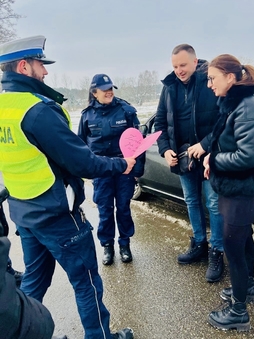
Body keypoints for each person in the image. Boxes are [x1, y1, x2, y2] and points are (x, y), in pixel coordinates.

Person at [0, 35, 135, 339]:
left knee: (35, 281)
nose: (45, 72)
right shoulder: (36, 111)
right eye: (40, 65)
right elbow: (82, 162)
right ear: (24, 66)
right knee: (86, 281)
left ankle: (25, 333)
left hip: (24, 212)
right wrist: (120, 164)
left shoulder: (3, 106)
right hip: (57, 215)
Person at [204, 54, 254, 331]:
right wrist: (214, 156)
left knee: (233, 246)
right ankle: (247, 288)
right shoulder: (233, 104)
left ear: (230, 77)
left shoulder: (246, 107)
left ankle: (238, 312)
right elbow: (226, 143)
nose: (210, 84)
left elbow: (246, 157)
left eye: (213, 78)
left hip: (241, 188)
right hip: (233, 186)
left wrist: (213, 160)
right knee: (243, 239)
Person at [154, 44, 224, 282]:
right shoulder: (169, 87)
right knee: (192, 201)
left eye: (183, 65)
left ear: (195, 62)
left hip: (208, 157)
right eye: (175, 66)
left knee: (213, 204)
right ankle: (199, 244)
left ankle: (217, 251)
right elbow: (160, 124)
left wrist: (205, 145)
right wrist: (165, 150)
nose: (179, 71)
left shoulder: (210, 81)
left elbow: (224, 121)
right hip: (183, 158)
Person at [78, 74, 145, 265]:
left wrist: (137, 171)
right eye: (104, 89)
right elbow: (81, 146)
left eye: (111, 88)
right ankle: (107, 246)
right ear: (94, 92)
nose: (109, 92)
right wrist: (84, 171)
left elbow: (139, 142)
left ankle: (125, 244)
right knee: (105, 210)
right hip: (101, 171)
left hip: (124, 169)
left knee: (123, 208)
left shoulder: (126, 110)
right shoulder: (87, 115)